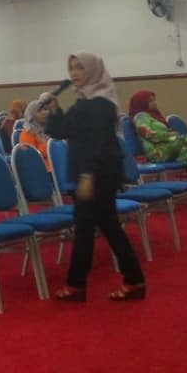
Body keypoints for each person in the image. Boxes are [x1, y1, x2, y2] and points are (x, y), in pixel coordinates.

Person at [52, 53, 146, 302]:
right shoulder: (82, 102)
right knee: (104, 226)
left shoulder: (101, 104)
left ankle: (78, 285)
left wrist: (87, 175)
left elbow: (99, 143)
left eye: (80, 68)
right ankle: (132, 280)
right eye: (71, 68)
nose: (74, 73)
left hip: (98, 172)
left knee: (90, 227)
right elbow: (63, 131)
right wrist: (53, 111)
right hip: (91, 171)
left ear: (93, 70)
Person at [129, 90, 187, 201]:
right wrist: (169, 135)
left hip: (168, 148)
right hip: (158, 152)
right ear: (142, 103)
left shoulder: (154, 115)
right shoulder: (141, 116)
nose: (155, 103)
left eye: (154, 100)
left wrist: (171, 135)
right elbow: (147, 133)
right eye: (151, 101)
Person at [18, 98, 54, 169]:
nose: (44, 112)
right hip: (43, 169)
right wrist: (50, 146)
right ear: (31, 115)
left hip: (56, 164)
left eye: (45, 109)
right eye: (39, 111)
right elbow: (31, 157)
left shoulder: (50, 128)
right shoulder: (28, 133)